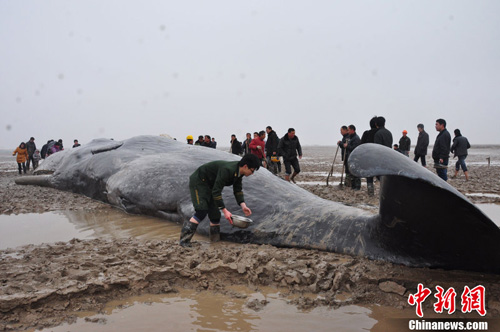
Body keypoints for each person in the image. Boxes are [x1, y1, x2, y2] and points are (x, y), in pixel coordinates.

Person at [179, 154, 261, 247]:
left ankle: (215, 242)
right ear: (245, 166)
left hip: (211, 184)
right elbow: (216, 192)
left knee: (215, 215)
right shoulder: (227, 170)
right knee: (201, 211)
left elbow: (237, 190)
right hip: (200, 182)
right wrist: (225, 211)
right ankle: (184, 242)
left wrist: (243, 206)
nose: (252, 173)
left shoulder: (239, 173)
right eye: (252, 170)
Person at [360, 117, 378, 195]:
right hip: (378, 158)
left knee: (369, 176)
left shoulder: (366, 133)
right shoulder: (380, 133)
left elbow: (361, 146)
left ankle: (370, 192)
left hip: (368, 158)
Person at [344, 125, 361, 190]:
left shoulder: (356, 138)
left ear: (352, 130)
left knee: (356, 173)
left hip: (355, 158)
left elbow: (354, 148)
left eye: (348, 130)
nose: (347, 132)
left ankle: (357, 187)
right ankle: (353, 186)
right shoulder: (351, 138)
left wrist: (347, 146)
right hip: (350, 158)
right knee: (352, 173)